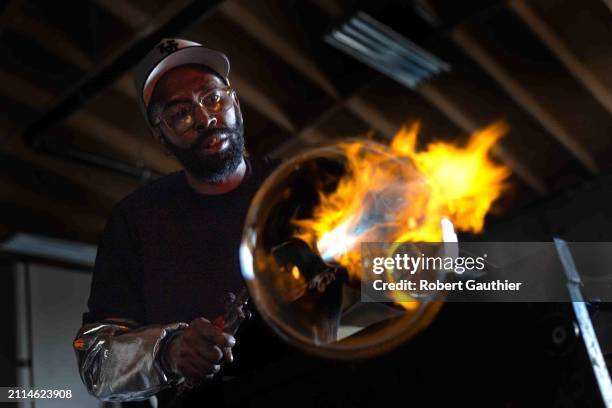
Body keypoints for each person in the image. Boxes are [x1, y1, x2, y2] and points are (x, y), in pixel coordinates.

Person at [72, 38, 287, 407]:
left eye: (213, 98)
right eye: (180, 114)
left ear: (235, 102)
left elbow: (399, 279)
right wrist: (169, 351)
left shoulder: (303, 185)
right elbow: (96, 363)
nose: (205, 118)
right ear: (161, 138)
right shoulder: (135, 221)